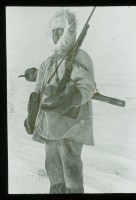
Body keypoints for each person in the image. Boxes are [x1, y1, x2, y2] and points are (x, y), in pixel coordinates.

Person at [31, 9, 96, 194]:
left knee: (71, 169)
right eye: (55, 30)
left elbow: (87, 87)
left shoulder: (81, 56)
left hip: (71, 124)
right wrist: (33, 113)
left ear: (69, 31)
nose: (57, 33)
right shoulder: (47, 62)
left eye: (61, 29)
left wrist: (72, 98)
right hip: (50, 125)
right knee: (53, 168)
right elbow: (39, 89)